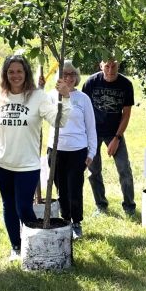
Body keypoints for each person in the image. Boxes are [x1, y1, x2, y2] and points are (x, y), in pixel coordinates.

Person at [0, 55, 72, 261]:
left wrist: (66, 98)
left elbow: (58, 122)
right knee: (8, 205)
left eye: (19, 71)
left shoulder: (38, 97)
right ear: (5, 74)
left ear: (26, 73)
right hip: (1, 162)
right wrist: (1, 137)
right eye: (11, 72)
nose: (15, 75)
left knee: (23, 207)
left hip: (27, 165)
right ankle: (16, 246)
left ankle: (34, 244)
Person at [47, 60, 97, 240]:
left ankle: (76, 222)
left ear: (76, 77)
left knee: (74, 187)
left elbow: (91, 127)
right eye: (64, 74)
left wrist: (91, 153)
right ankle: (64, 220)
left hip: (78, 151)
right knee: (61, 188)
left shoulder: (83, 98)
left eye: (71, 74)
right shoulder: (51, 96)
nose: (68, 78)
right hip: (56, 150)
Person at [82, 58, 136, 216]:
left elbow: (126, 115)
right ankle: (101, 205)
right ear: (101, 66)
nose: (111, 70)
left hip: (115, 132)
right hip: (93, 133)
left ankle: (129, 206)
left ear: (119, 66)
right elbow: (83, 110)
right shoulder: (91, 82)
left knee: (124, 169)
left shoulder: (126, 84)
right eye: (107, 66)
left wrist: (117, 138)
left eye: (114, 66)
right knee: (94, 171)